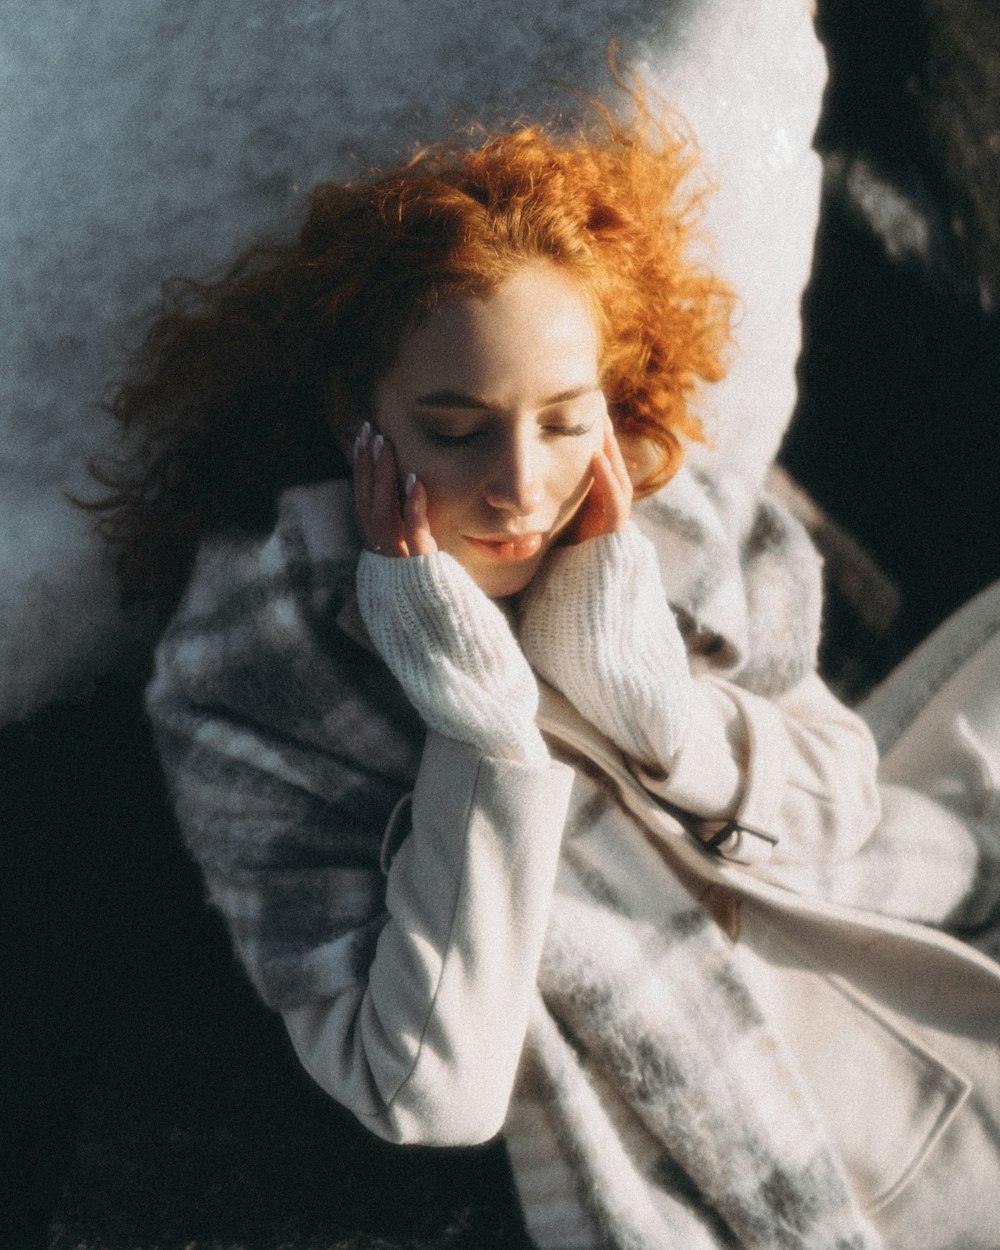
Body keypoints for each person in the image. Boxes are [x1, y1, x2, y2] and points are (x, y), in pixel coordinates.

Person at [90, 92, 1000, 1249]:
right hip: (750, 1155)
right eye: (457, 428)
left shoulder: (674, 513)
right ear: (352, 415)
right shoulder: (253, 677)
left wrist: (658, 708)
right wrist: (482, 735)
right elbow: (423, 1089)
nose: (522, 485)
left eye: (563, 420)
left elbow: (842, 797)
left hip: (886, 959)